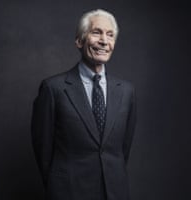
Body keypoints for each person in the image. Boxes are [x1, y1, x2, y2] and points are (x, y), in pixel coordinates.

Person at [31, 9, 137, 200]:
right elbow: (43, 149)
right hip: (68, 192)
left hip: (115, 192)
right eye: (96, 32)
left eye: (110, 35)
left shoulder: (127, 91)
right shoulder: (53, 88)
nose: (104, 41)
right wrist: (58, 187)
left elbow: (122, 150)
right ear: (79, 41)